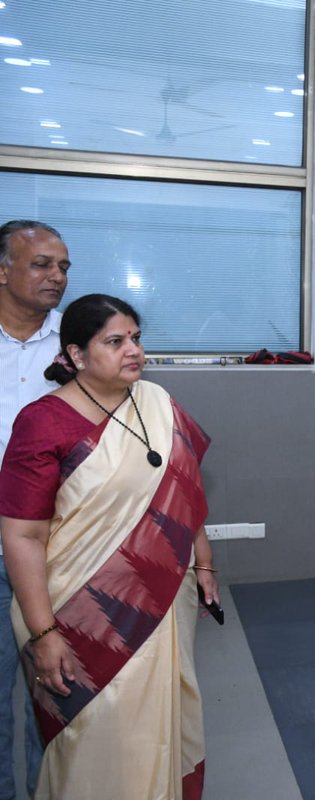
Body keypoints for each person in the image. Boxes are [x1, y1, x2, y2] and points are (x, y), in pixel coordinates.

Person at [0, 294, 215, 799]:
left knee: (158, 718)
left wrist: (204, 563)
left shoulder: (158, 402)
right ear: (76, 355)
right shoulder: (43, 423)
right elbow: (22, 535)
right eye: (115, 341)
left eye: (136, 338)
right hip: (80, 613)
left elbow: (185, 492)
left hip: (162, 599)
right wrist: (44, 632)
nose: (133, 351)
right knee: (96, 734)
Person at [0, 220, 68, 800]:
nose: (56, 277)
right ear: (3, 271)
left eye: (63, 267)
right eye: (42, 264)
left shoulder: (75, 346)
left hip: (55, 547)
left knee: (51, 689)